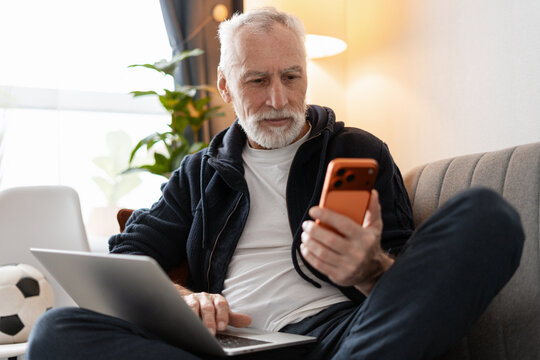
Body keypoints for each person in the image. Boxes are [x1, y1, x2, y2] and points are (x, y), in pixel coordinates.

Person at [28, 7, 524, 360]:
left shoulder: (357, 150)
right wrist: (183, 300)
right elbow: (127, 256)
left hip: (343, 336)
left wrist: (369, 267)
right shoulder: (199, 171)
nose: (278, 98)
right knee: (56, 331)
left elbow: (408, 289)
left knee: (487, 214)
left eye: (291, 76)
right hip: (228, 345)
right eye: (257, 81)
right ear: (225, 86)